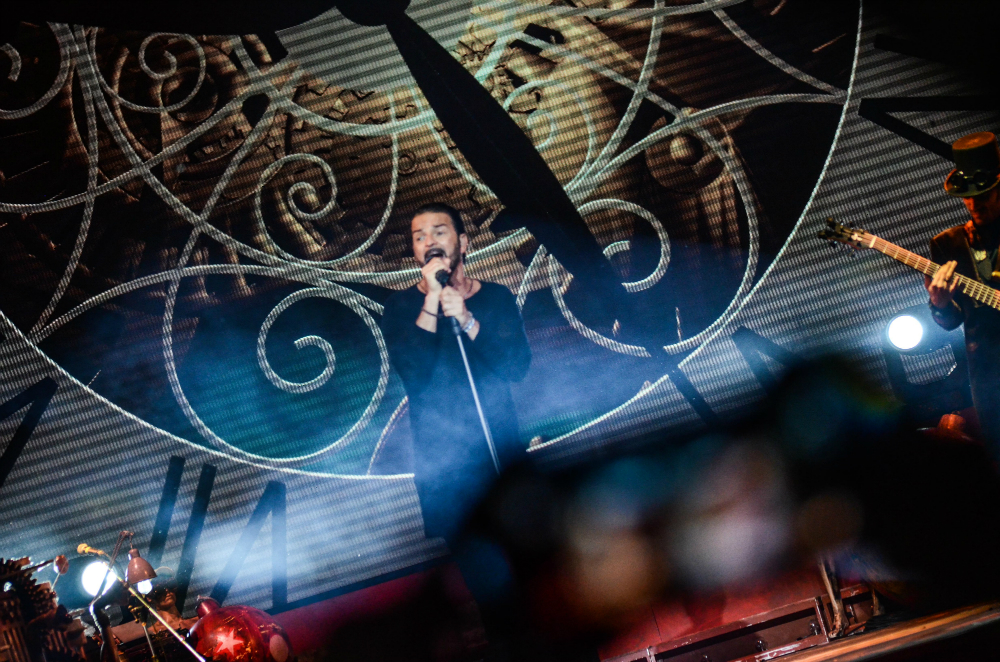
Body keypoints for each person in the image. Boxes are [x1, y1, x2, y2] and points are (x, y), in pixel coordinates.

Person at [380, 202, 531, 543]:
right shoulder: (399, 307)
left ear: (462, 243)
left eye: (439, 232)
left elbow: (517, 367)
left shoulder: (495, 297)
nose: (429, 242)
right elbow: (414, 373)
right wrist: (432, 299)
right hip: (443, 464)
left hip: (499, 451)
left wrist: (466, 319)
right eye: (420, 237)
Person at [925, 131, 1000, 456]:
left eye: (983, 194)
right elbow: (950, 322)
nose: (973, 203)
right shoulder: (948, 244)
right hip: (990, 370)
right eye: (966, 196)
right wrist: (939, 304)